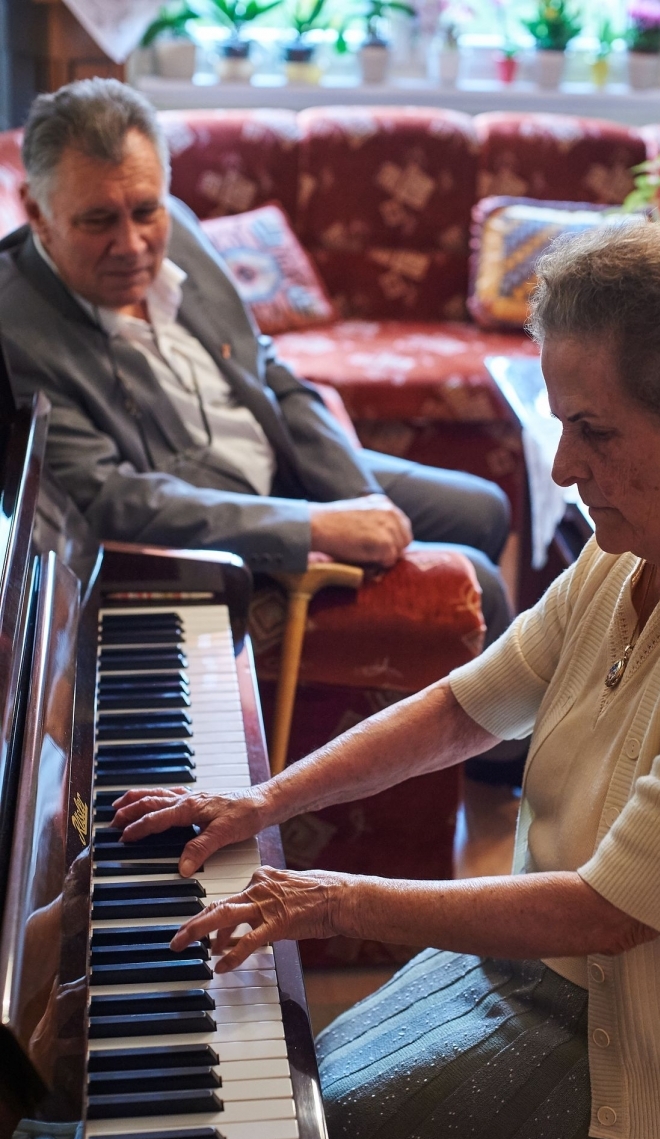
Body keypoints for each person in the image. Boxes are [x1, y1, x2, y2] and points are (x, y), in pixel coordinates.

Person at [114, 216, 660, 1139]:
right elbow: (461, 709)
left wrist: (329, 898)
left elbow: (609, 914)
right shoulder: (626, 551)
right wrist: (257, 803)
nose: (560, 469)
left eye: (592, 430)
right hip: (534, 976)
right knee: (270, 1102)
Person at [0, 77, 525, 870]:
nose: (135, 244)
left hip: (274, 461)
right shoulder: (15, 327)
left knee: (485, 505)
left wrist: (358, 496)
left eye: (145, 211)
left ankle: (492, 763)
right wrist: (313, 527)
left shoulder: (173, 224)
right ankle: (506, 772)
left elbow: (272, 370)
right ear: (37, 214)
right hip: (202, 528)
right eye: (98, 221)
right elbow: (112, 502)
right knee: (478, 579)